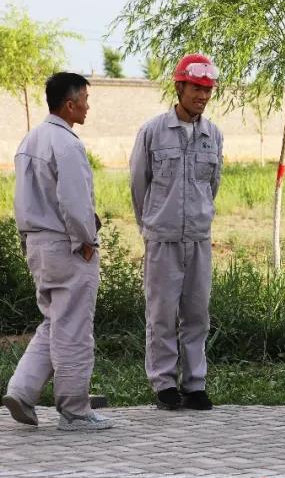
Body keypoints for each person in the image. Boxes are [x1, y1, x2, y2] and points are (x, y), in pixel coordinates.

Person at [3, 72, 112, 431]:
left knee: (55, 321)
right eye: (84, 99)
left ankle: (21, 390)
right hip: (66, 245)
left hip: (36, 244)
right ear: (70, 104)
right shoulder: (67, 144)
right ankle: (75, 411)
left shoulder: (29, 140)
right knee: (75, 329)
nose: (88, 106)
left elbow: (25, 200)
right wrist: (86, 241)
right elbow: (74, 202)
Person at [130, 54, 223, 411]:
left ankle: (195, 383)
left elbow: (212, 185)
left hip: (198, 239)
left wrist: (198, 218)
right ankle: (164, 383)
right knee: (162, 313)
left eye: (207, 90)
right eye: (196, 88)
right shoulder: (153, 132)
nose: (202, 96)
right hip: (162, 239)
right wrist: (151, 225)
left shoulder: (212, 134)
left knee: (197, 314)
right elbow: (139, 185)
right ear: (179, 87)